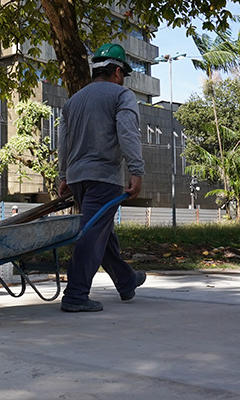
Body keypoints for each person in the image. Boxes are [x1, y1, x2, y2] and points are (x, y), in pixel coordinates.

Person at [57, 43, 147, 312]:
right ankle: (75, 295)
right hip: (104, 177)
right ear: (117, 72)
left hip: (77, 178)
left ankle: (126, 280)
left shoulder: (72, 101)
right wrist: (136, 171)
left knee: (101, 231)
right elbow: (128, 134)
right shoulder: (122, 95)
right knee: (92, 232)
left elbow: (63, 142)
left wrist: (63, 175)